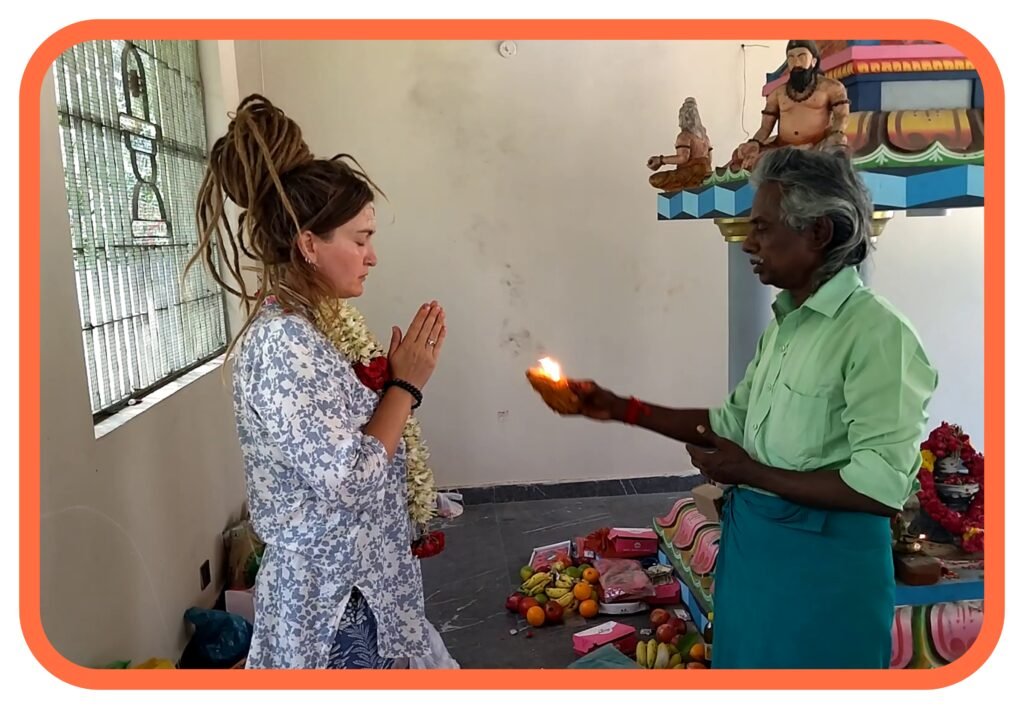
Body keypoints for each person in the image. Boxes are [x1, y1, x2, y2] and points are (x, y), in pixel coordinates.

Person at [564, 147, 937, 669]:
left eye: (762, 227)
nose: (749, 243)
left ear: (820, 232)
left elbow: (878, 488)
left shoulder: (879, 335)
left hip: (823, 575)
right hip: (755, 558)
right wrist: (619, 407)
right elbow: (729, 423)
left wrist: (749, 470)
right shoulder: (786, 324)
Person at [185, 94, 446, 669]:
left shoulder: (315, 328)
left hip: (362, 585)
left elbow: (340, 437)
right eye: (359, 239)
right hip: (333, 606)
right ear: (308, 243)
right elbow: (351, 478)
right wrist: (405, 387)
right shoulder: (283, 344)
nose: (371, 256)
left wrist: (388, 389)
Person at [729, 40, 851, 172]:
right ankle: (792, 155)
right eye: (791, 58)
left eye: (801, 56)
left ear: (814, 61)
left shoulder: (832, 87)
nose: (796, 63)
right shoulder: (777, 93)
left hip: (817, 145)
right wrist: (755, 143)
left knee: (838, 146)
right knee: (740, 154)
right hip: (782, 148)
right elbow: (765, 128)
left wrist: (837, 133)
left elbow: (841, 116)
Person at [647, 97, 713, 192]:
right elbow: (709, 159)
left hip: (688, 173)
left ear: (683, 118)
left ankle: (684, 187)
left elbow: (682, 158)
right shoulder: (705, 137)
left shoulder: (684, 136)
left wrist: (660, 160)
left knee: (654, 179)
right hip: (705, 171)